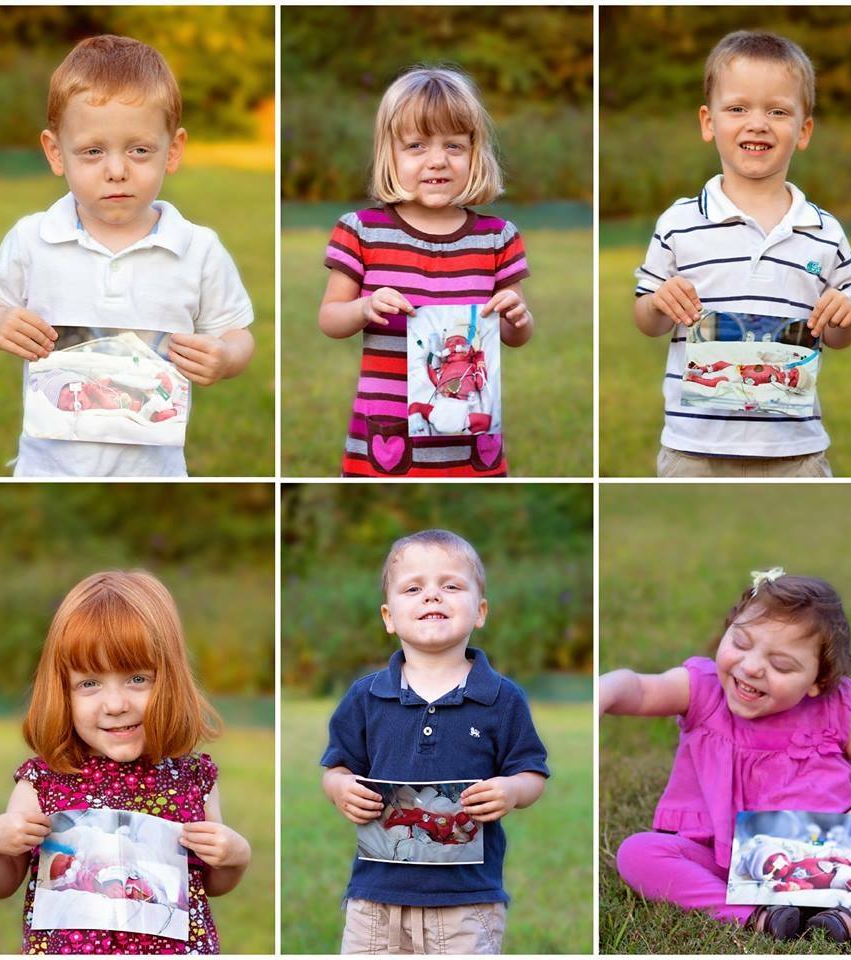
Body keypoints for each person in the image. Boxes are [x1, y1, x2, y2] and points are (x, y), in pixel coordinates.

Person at [0, 35, 255, 477]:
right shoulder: (32, 239)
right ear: (55, 153)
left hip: (155, 474)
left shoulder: (198, 249)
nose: (117, 169)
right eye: (92, 151)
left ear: (174, 150)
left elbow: (238, 336)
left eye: (139, 150)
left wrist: (224, 356)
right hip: (48, 469)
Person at [600, 569, 851, 942]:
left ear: (818, 681)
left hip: (833, 859)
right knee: (638, 852)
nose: (750, 667)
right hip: (732, 863)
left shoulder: (838, 706)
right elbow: (640, 689)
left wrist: (846, 832)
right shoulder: (703, 690)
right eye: (741, 642)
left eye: (780, 665)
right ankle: (759, 915)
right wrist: (605, 690)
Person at [0, 571, 252, 954]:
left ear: (169, 680)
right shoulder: (44, 781)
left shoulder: (192, 779)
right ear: (64, 692)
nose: (116, 704)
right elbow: (0, 885)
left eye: (137, 679)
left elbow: (211, 882)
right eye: (89, 684)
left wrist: (233, 857)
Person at [633, 31, 851, 478]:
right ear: (708, 122)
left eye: (778, 111)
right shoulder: (679, 224)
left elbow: (841, 335)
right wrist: (658, 303)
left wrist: (846, 318)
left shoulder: (826, 233)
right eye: (738, 108)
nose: (757, 123)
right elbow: (646, 321)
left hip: (795, 453)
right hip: (694, 450)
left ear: (804, 130)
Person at [321, 530, 549, 954]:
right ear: (389, 617)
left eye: (451, 586)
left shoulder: (501, 698)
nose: (432, 597)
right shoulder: (366, 696)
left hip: (465, 901)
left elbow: (532, 772)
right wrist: (340, 788)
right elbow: (337, 767)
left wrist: (513, 790)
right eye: (413, 588)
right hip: (374, 901)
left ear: (480, 611)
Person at [319, 67, 532, 477]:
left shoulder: (497, 238)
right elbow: (330, 319)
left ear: (475, 152)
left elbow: (516, 335)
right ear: (390, 153)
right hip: (387, 436)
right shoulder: (362, 230)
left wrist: (517, 317)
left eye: (454, 145)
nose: (438, 160)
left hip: (471, 444)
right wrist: (365, 307)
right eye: (416, 146)